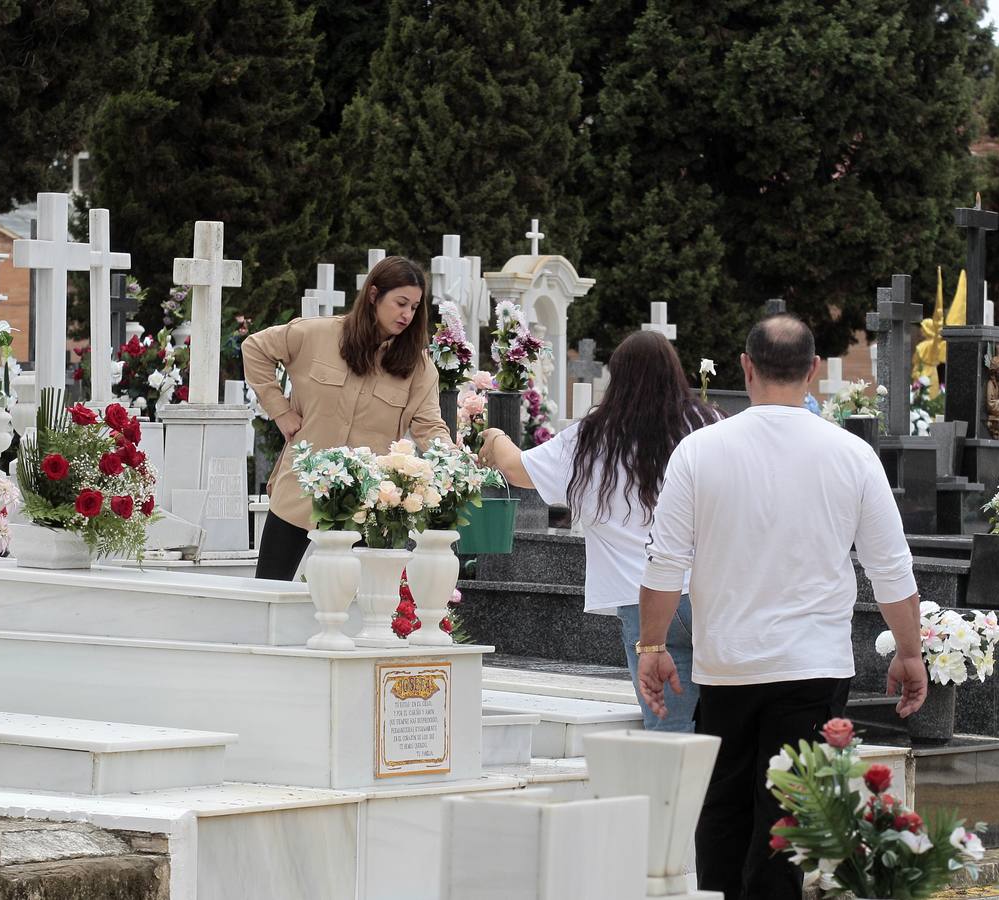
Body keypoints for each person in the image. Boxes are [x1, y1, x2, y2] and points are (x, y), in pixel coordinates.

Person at [635, 314, 928, 900]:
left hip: (729, 664)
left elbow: (664, 564)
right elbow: (891, 570)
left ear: (746, 367)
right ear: (814, 371)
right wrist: (910, 653)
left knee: (722, 813)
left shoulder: (699, 451)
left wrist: (653, 646)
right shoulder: (852, 455)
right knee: (787, 821)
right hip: (813, 668)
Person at [477, 330, 718, 731]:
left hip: (642, 597)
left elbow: (520, 470)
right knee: (729, 726)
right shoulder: (707, 425)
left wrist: (496, 435)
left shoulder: (593, 436)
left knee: (672, 732)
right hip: (715, 592)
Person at [242, 256, 450, 580]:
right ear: (373, 295)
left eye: (414, 306)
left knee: (359, 606)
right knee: (269, 590)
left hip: (365, 506)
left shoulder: (419, 369)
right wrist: (280, 411)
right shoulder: (316, 334)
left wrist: (452, 460)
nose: (407, 314)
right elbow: (255, 348)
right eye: (400, 303)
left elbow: (429, 425)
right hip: (298, 493)